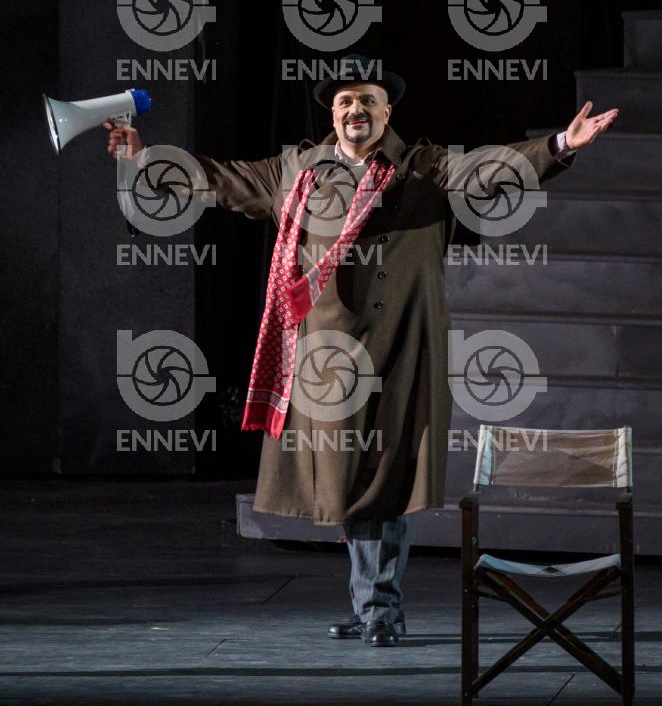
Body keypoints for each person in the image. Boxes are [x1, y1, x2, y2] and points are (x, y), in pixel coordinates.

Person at [104, 55, 619, 647]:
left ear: (386, 112)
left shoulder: (422, 168)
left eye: (368, 101)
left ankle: (381, 610)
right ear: (333, 113)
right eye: (346, 101)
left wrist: (559, 145)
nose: (356, 110)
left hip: (397, 348)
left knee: (383, 481)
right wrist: (145, 158)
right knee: (347, 481)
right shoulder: (298, 170)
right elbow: (222, 180)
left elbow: (485, 170)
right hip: (325, 356)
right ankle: (370, 603)